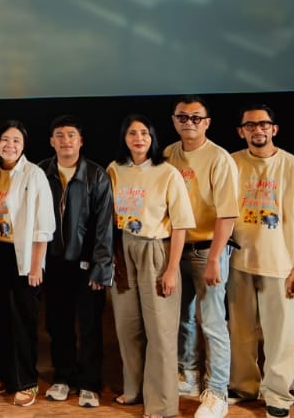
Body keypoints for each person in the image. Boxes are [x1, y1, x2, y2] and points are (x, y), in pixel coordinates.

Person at [226, 104, 294, 418]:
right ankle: (244, 386)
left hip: (281, 265)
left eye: (264, 124)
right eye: (250, 125)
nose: (258, 130)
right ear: (241, 131)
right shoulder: (231, 163)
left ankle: (278, 396)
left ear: (274, 129)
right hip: (238, 262)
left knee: (282, 337)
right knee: (240, 332)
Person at [108, 114, 195, 418]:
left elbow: (181, 225)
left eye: (144, 133)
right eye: (132, 133)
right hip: (123, 247)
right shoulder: (115, 169)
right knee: (127, 325)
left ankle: (161, 404)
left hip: (155, 249)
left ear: (152, 138)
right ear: (124, 138)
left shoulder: (168, 172)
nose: (139, 138)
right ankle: (134, 389)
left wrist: (171, 269)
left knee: (160, 330)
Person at [163, 95, 239, 418]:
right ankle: (189, 374)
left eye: (196, 117)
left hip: (208, 249)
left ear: (207, 123)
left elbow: (228, 214)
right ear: (174, 120)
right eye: (182, 117)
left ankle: (217, 391)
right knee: (182, 317)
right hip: (176, 248)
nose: (189, 122)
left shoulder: (219, 158)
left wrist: (214, 259)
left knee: (212, 321)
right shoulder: (168, 154)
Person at [37, 114, 113, 409]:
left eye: (71, 135)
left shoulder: (97, 175)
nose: (65, 140)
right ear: (51, 141)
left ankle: (90, 383)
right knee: (58, 324)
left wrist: (101, 266)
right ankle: (63, 377)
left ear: (80, 141)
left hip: (86, 264)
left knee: (90, 326)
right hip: (53, 262)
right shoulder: (41, 172)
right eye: (60, 135)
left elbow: (105, 226)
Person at [0, 120, 55, 408]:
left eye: (16, 140)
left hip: (24, 256)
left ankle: (26, 382)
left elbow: (44, 224)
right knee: (1, 318)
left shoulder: (33, 174)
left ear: (24, 146)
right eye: (5, 139)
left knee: (23, 322)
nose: (10, 145)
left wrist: (36, 266)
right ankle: (4, 376)